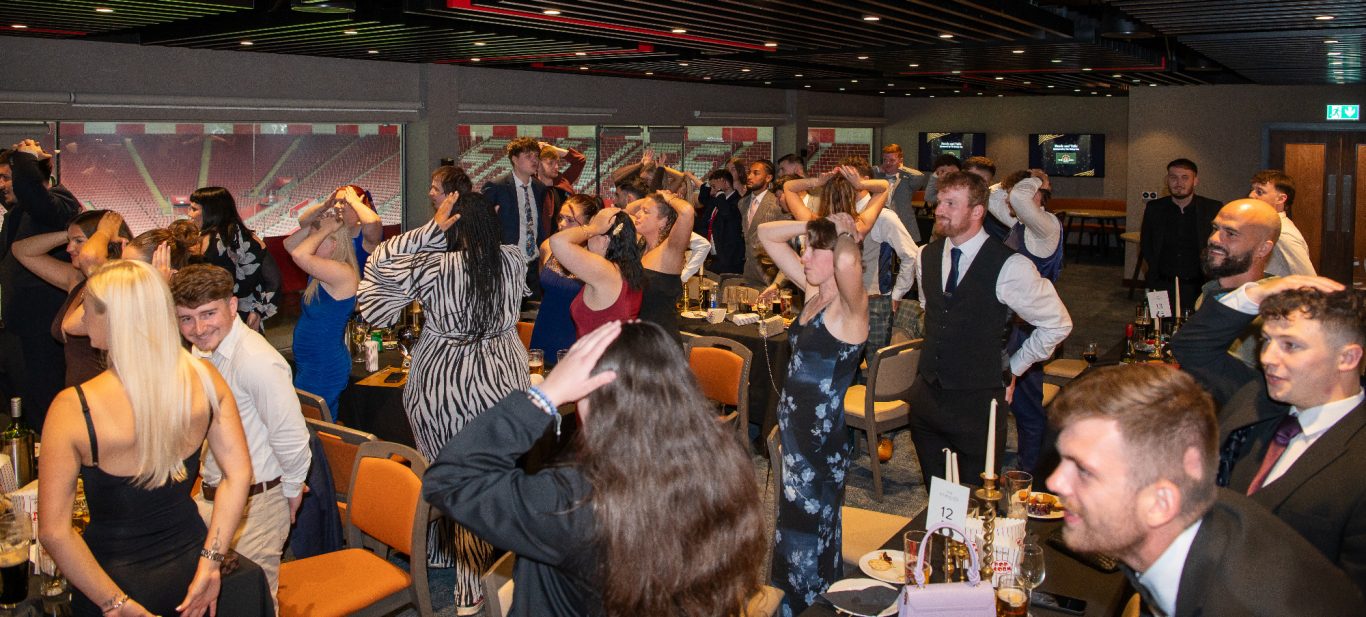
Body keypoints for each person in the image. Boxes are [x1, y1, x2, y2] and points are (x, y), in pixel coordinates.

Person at [423, 321, 767, 616]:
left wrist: (546, 394)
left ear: (597, 401)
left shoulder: (572, 502)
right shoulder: (724, 470)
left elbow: (450, 479)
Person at [1047, 363, 1364, 616]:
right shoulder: (1211, 521)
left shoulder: (1236, 604)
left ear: (1160, 503)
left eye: (1084, 470)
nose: (1054, 482)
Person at [38, 259, 252, 617]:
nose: (82, 317)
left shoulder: (72, 408)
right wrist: (211, 562)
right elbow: (239, 474)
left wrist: (116, 604)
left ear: (114, 318)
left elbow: (53, 532)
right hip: (191, 571)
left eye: (88, 307)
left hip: (109, 578)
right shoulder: (204, 377)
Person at [358, 187, 528, 614]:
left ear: (450, 225)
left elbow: (377, 272)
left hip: (443, 382)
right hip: (502, 378)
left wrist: (427, 232)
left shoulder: (435, 266)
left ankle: (458, 575)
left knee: (445, 469)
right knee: (486, 474)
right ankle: (459, 564)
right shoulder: (512, 259)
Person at [1172, 275, 1366, 595]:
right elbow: (1191, 346)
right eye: (1267, 340)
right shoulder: (1260, 396)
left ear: (1347, 358)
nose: (1267, 358)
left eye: (1290, 345)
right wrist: (1257, 293)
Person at [909, 171, 1070, 487]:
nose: (939, 210)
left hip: (978, 402)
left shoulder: (1010, 265)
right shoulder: (924, 256)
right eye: (940, 202)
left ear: (977, 211)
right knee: (938, 494)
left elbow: (1057, 323)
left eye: (951, 204)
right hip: (928, 398)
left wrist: (1014, 368)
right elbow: (933, 311)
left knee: (976, 498)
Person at [171, 264, 311, 608]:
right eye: (187, 319)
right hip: (212, 497)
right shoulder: (202, 350)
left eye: (208, 314)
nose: (198, 328)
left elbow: (291, 435)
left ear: (232, 306)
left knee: (252, 603)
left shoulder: (256, 360)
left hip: (257, 503)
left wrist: (292, 490)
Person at [759, 214, 868, 615]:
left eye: (812, 250)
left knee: (808, 536)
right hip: (796, 439)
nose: (803, 257)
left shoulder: (851, 309)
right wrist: (812, 223)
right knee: (792, 530)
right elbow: (767, 235)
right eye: (803, 249)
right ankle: (798, 603)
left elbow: (848, 262)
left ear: (836, 254)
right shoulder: (813, 291)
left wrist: (845, 231)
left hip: (819, 446)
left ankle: (808, 607)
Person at [0, 141, 82, 428]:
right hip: (19, 330)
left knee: (45, 410)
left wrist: (26, 158)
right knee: (21, 406)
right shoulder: (19, 213)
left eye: (6, 177)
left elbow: (32, 193)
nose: (1, 185)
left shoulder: (59, 202)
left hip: (44, 332)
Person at [991, 170, 1064, 473]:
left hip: (1029, 326)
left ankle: (1029, 474)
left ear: (1039, 197)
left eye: (1020, 192)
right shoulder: (1021, 224)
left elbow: (1018, 197)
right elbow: (993, 196)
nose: (1011, 199)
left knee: (1027, 406)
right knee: (1004, 398)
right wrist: (1011, 182)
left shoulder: (1045, 226)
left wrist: (1037, 179)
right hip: (1009, 323)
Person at [12, 210, 131, 387]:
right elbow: (21, 251)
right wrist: (70, 234)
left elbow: (90, 258)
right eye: (70, 241)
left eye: (78, 241)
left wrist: (103, 232)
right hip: (79, 393)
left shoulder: (118, 283)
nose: (69, 248)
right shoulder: (76, 279)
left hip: (107, 394)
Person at [286, 198, 359, 419]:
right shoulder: (320, 270)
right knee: (307, 421)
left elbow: (298, 254)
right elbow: (289, 245)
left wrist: (325, 228)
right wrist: (318, 223)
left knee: (318, 424)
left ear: (334, 245)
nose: (310, 243)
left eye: (317, 241)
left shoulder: (343, 272)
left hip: (324, 365)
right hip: (311, 362)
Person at [188, 186, 279, 330]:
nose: (190, 214)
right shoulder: (248, 237)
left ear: (210, 211)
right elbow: (274, 280)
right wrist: (258, 311)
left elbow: (273, 279)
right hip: (240, 317)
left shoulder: (212, 240)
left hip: (224, 320)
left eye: (194, 209)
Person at [1139, 158, 1222, 315]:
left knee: (1194, 327)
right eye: (1173, 177)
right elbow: (1146, 243)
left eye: (1185, 177)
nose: (1179, 183)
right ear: (1167, 180)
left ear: (1195, 181)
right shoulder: (1154, 208)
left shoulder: (1212, 208)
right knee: (1159, 324)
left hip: (1199, 285)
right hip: (1161, 284)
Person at [549, 207, 643, 337]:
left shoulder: (605, 271)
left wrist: (594, 228)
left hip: (600, 350)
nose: (587, 237)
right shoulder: (625, 270)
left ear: (605, 240)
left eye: (593, 234)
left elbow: (557, 241)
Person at [530, 194, 602, 367]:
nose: (562, 224)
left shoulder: (597, 258)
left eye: (570, 220)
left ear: (589, 225)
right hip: (544, 332)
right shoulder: (548, 247)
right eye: (560, 218)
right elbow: (545, 291)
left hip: (576, 340)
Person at [624, 190, 694, 341]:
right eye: (640, 210)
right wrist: (653, 197)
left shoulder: (670, 250)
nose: (638, 214)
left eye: (646, 211)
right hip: (637, 338)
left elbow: (687, 212)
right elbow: (625, 211)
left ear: (663, 221)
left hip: (661, 342)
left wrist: (669, 198)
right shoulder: (641, 244)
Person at [483, 137, 548, 296]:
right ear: (515, 159)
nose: (534, 160)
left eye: (536, 156)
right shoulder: (496, 187)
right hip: (507, 264)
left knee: (533, 307)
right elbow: (482, 222)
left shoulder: (540, 188)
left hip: (534, 264)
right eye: (528, 156)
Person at [288, 185, 383, 272]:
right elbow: (304, 222)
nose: (336, 206)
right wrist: (325, 205)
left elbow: (372, 222)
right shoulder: (333, 227)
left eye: (343, 202)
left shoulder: (365, 235)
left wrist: (355, 202)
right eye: (335, 202)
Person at [1248, 169, 1315, 277]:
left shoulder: (1282, 233)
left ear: (1280, 199)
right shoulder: (1267, 226)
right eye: (1252, 190)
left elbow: (1308, 278)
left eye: (1259, 192)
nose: (1251, 195)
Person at [740, 159, 791, 288]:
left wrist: (779, 281)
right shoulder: (742, 203)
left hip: (771, 276)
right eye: (749, 172)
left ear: (768, 178)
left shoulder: (777, 203)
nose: (749, 176)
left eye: (756, 173)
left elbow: (788, 242)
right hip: (748, 274)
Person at [876, 143, 927, 242]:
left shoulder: (907, 178)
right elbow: (866, 172)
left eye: (892, 160)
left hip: (903, 224)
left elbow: (920, 176)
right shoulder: (878, 177)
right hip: (882, 225)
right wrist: (878, 169)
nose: (887, 163)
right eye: (885, 160)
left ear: (900, 160)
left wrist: (902, 169)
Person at [698, 169, 745, 274]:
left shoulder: (738, 201)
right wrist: (709, 183)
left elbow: (726, 213)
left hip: (728, 259)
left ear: (726, 184)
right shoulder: (716, 199)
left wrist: (719, 191)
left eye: (714, 187)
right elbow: (703, 199)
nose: (712, 192)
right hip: (713, 257)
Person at [536, 141, 587, 237]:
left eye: (557, 162)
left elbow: (580, 160)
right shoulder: (530, 186)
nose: (556, 167)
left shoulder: (562, 181)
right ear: (537, 165)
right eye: (550, 163)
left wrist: (553, 148)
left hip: (565, 238)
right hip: (540, 242)